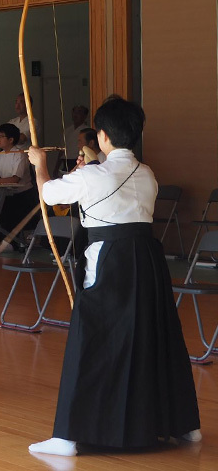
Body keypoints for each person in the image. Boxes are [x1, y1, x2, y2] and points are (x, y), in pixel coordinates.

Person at [26, 96, 200, 457]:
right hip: (148, 260)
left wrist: (40, 163)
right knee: (156, 334)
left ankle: (68, 436)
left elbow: (48, 193)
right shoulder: (147, 173)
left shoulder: (95, 175)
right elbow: (110, 178)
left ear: (102, 136)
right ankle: (184, 424)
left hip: (109, 260)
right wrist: (91, 164)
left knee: (91, 338)